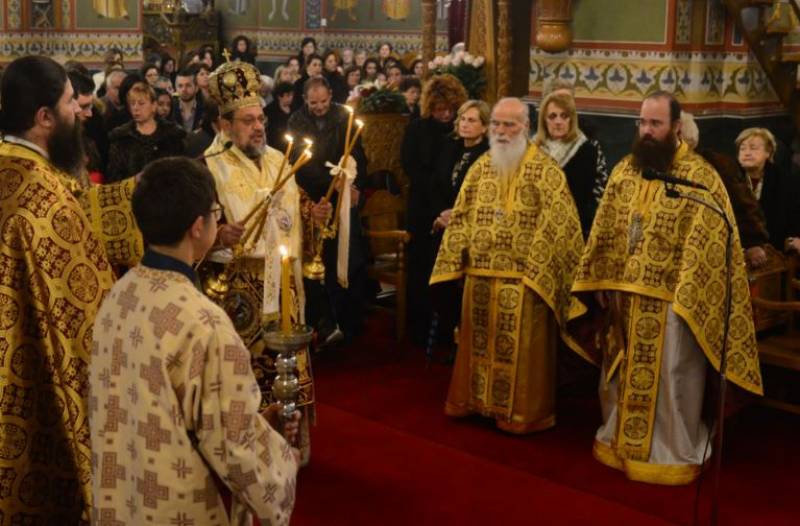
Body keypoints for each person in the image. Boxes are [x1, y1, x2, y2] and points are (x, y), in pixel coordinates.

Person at [90, 157, 299, 525]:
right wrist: (281, 457)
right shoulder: (204, 323)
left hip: (125, 497)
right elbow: (236, 447)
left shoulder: (118, 296)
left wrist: (259, 419)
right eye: (215, 213)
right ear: (198, 227)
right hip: (180, 507)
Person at [568, 91, 763, 485]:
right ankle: (620, 441)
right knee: (619, 374)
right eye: (642, 122)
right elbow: (607, 229)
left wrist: (686, 294)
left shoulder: (700, 176)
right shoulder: (625, 170)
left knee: (673, 375)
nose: (647, 131)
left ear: (676, 126)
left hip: (673, 301)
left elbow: (711, 241)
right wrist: (602, 280)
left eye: (655, 123)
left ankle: (672, 450)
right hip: (624, 295)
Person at [0, 54, 142, 525]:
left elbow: (89, 207)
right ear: (44, 119)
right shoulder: (40, 195)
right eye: (69, 104)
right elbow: (84, 310)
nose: (81, 113)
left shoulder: (11, 170)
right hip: (30, 380)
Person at [430, 98, 584, 433]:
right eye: (497, 124)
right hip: (481, 276)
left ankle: (518, 413)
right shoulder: (481, 167)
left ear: (526, 127)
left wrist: (536, 267)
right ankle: (476, 402)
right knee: (480, 341)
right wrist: (456, 258)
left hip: (525, 280)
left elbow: (562, 224)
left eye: (509, 125)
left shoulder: (546, 170)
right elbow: (463, 213)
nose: (501, 131)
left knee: (520, 352)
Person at [203, 60, 329, 464]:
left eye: (260, 118)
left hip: (285, 285)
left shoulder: (281, 159)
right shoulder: (209, 168)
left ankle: (291, 446)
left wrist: (315, 219)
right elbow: (195, 230)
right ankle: (244, 454)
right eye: (247, 120)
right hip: (240, 290)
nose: (258, 127)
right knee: (245, 374)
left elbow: (298, 213)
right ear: (225, 125)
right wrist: (218, 235)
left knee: (289, 366)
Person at [288, 76, 369, 345]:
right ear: (305, 100)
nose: (320, 107)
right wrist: (332, 181)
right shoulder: (296, 122)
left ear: (331, 95)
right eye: (314, 103)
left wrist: (351, 181)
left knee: (348, 257)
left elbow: (356, 152)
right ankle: (320, 323)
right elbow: (300, 163)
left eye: (324, 101)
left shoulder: (343, 117)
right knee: (316, 263)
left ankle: (351, 322)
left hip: (343, 198)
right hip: (313, 201)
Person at [401, 74, 467, 345]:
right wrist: (434, 203)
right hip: (421, 207)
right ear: (431, 107)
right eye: (440, 110)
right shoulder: (417, 129)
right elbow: (409, 165)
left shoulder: (458, 133)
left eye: (450, 110)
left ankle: (446, 330)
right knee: (421, 270)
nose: (445, 115)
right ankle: (419, 329)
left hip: (450, 207)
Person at [679, 113, 770, 268]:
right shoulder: (654, 165)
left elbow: (744, 204)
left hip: (708, 251)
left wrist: (753, 242)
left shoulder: (717, 166)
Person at [534, 92, 609, 239]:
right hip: (535, 225)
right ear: (544, 120)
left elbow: (581, 199)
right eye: (552, 116)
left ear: (572, 119)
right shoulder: (533, 149)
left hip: (572, 229)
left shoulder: (586, 150)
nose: (558, 121)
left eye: (564, 116)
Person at [736, 127, 800, 254]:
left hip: (776, 247)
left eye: (753, 148)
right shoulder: (730, 177)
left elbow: (795, 215)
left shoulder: (785, 181)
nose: (747, 153)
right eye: (742, 148)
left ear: (768, 152)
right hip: (741, 248)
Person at [106, 82, 186, 182]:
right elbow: (113, 178)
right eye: (132, 103)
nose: (135, 108)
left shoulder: (172, 135)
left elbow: (182, 173)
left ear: (153, 106)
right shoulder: (121, 138)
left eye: (141, 103)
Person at [171, 67, 206, 132]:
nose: (184, 89)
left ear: (196, 88)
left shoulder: (205, 109)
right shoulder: (170, 108)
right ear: (176, 88)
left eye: (188, 85)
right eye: (180, 86)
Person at [265, 81, 294, 151]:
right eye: (288, 95)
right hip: (275, 145)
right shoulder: (270, 110)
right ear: (279, 96)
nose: (291, 98)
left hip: (291, 145)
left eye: (292, 95)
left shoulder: (294, 108)